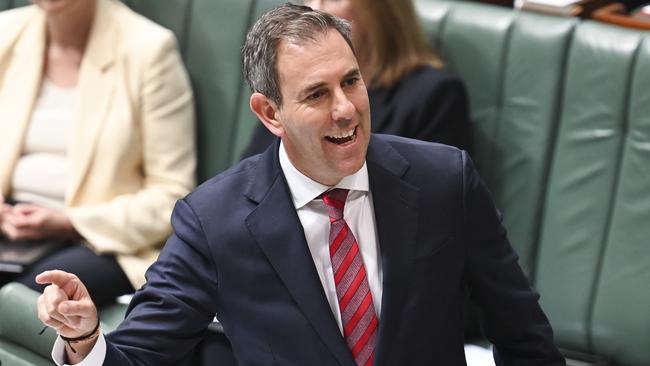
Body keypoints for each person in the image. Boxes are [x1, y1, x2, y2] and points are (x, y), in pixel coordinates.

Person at [37, 4, 564, 365]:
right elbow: (139, 356)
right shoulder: (214, 220)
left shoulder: (445, 179)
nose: (345, 109)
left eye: (351, 82)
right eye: (316, 95)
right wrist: (85, 337)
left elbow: (524, 335)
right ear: (270, 113)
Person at [0, 0, 196, 307]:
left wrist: (69, 222)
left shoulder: (148, 50)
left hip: (99, 240)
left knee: (23, 300)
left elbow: (171, 196)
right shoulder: (6, 32)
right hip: (10, 224)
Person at [240, 0, 470, 159]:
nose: (313, 10)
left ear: (380, 10)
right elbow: (249, 181)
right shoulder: (291, 84)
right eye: (316, 94)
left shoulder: (435, 95)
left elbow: (435, 205)